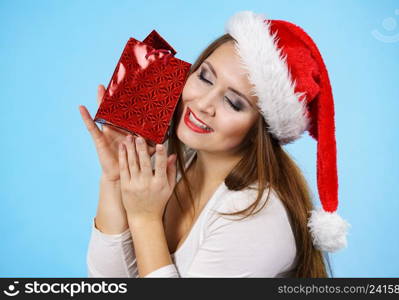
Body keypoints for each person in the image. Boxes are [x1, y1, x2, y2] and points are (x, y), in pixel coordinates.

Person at [79, 11, 350, 278]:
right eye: (205, 77)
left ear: (261, 130)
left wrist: (144, 219)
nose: (204, 104)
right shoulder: (173, 162)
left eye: (233, 102)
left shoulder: (256, 216)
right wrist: (115, 179)